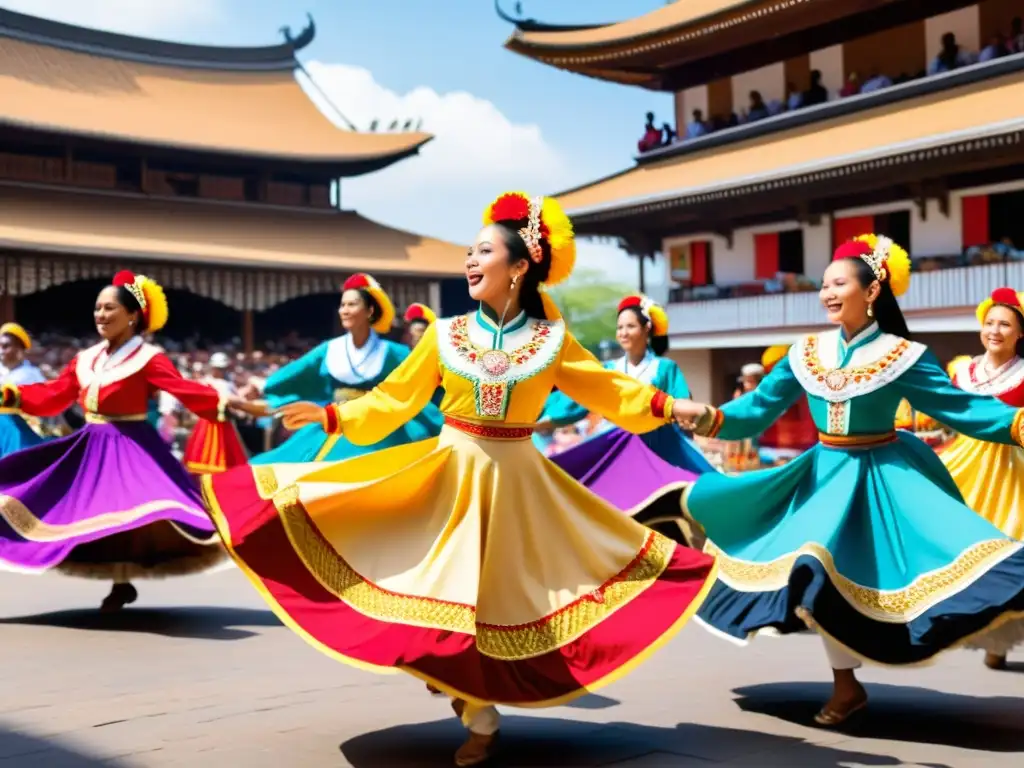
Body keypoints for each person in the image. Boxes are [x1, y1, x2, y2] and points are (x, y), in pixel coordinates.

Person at [201, 192, 718, 767]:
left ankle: (480, 709)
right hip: (448, 476)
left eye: (484, 252)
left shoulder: (551, 341)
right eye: (469, 253)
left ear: (519, 267)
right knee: (439, 603)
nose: (470, 262)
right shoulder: (444, 334)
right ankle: (477, 713)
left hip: (519, 486)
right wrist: (331, 415)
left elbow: (609, 390)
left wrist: (673, 407)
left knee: (501, 605)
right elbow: (395, 399)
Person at [671, 235, 1024, 727]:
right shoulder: (806, 352)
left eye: (839, 283)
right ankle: (847, 685)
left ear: (872, 289)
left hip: (884, 479)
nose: (827, 292)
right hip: (821, 477)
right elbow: (755, 411)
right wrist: (707, 415)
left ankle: (860, 675)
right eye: (824, 284)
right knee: (816, 569)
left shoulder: (903, 354)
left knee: (903, 572)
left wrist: (1018, 424)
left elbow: (961, 409)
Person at [0, 272, 250, 611]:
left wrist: (225, 403)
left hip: (132, 446)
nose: (100, 315)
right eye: (98, 308)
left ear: (132, 315)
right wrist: (13, 394)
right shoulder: (85, 359)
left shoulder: (149, 358)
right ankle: (117, 580)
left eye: (110, 308)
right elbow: (56, 394)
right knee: (56, 502)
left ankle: (121, 582)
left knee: (129, 513)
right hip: (91, 445)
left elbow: (183, 388)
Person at [535, 294, 715, 544]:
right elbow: (576, 402)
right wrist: (537, 420)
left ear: (647, 329)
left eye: (630, 326)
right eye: (620, 327)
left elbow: (681, 404)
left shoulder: (664, 369)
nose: (623, 332)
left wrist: (689, 419)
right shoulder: (609, 370)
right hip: (618, 450)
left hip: (658, 451)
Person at [246, 274, 443, 464]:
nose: (344, 310)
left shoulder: (393, 352)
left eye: (352, 304)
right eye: (342, 305)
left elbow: (419, 382)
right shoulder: (329, 349)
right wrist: (261, 386)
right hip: (332, 423)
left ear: (370, 311)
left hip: (378, 427)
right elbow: (292, 376)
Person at [941, 287, 1024, 670]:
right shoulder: (960, 370)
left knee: (1007, 547)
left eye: (1005, 324)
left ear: (1020, 333)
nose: (995, 330)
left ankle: (1003, 637)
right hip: (964, 465)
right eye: (990, 322)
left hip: (1011, 471)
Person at [181, 351, 249, 475]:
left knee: (227, 456)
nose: (220, 371)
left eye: (222, 368)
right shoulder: (205, 382)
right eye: (218, 368)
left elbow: (236, 402)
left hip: (224, 424)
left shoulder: (229, 385)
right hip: (207, 422)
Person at [0, 323, 50, 457]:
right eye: (0, 346)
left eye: (6, 346)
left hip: (21, 434)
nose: (1, 350)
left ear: (19, 349)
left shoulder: (32, 375)